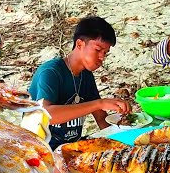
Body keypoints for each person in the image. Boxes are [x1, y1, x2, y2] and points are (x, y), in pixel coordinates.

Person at [28, 16, 132, 152]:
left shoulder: (86, 75)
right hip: (40, 153)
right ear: (80, 44)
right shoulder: (51, 72)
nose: (102, 58)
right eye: (98, 50)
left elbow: (101, 118)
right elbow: (47, 114)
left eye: (105, 53)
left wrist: (122, 142)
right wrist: (99, 103)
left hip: (71, 149)